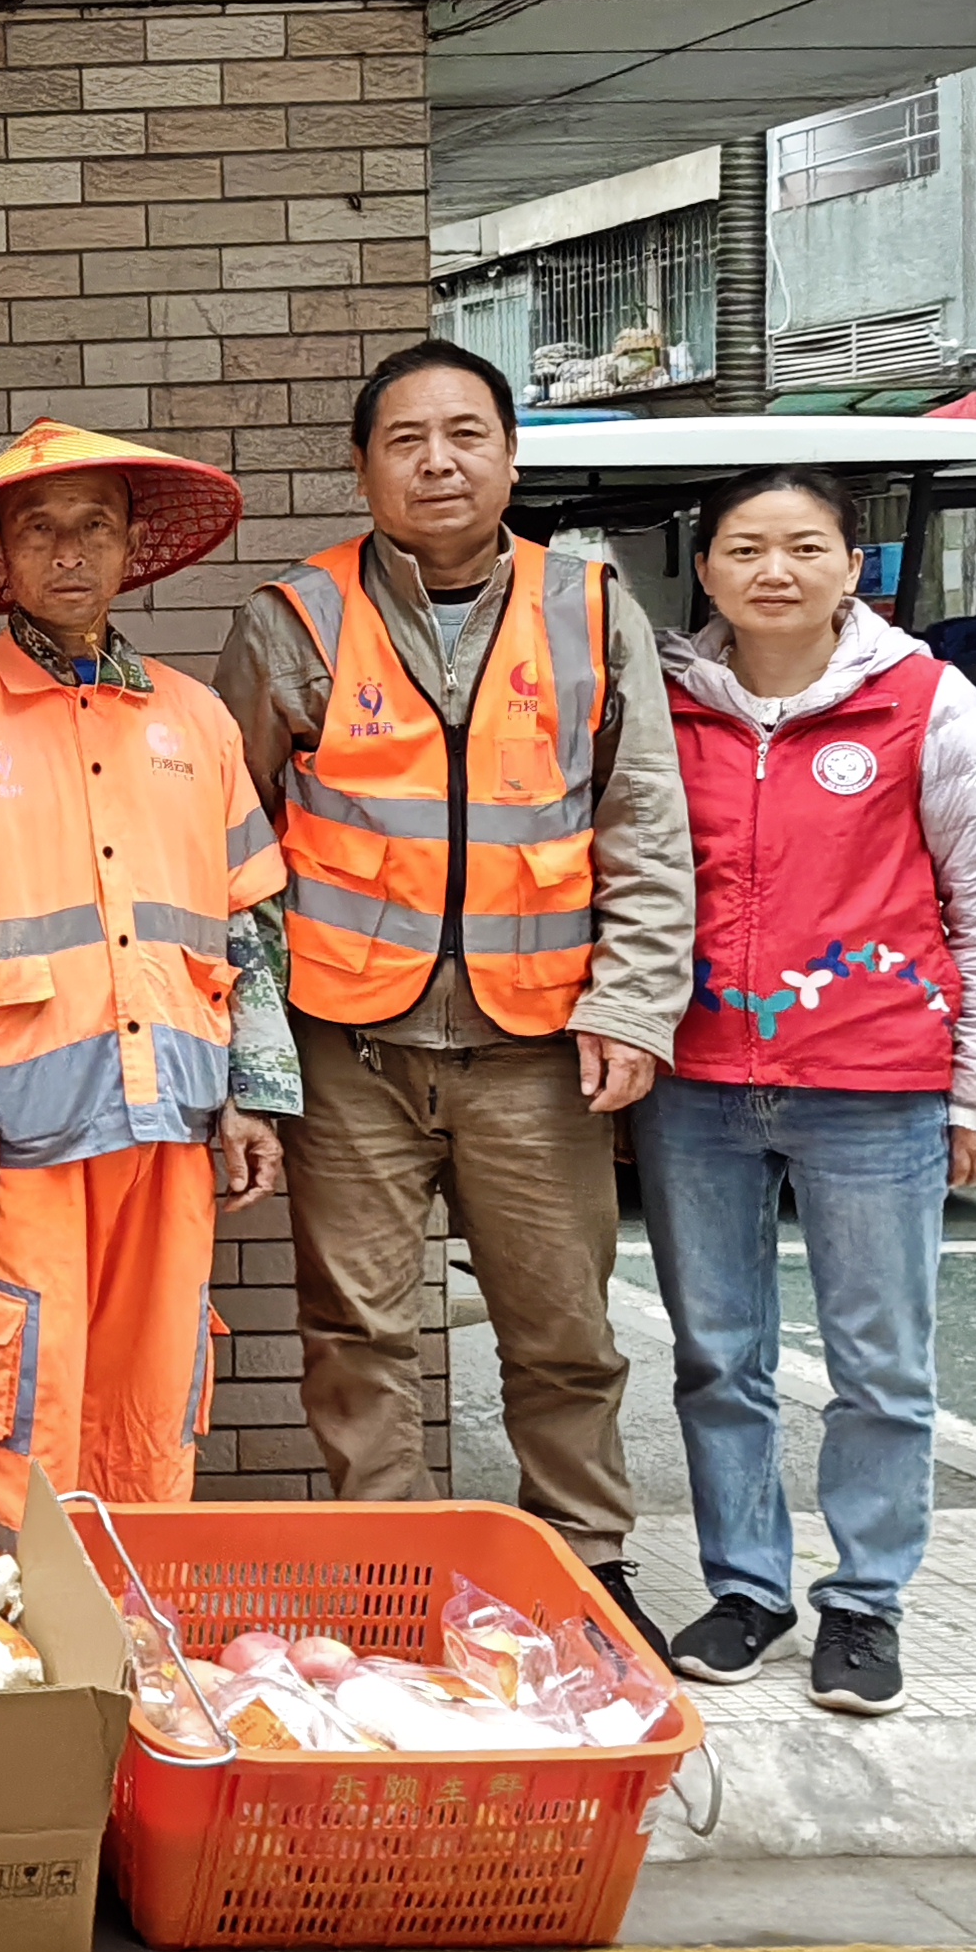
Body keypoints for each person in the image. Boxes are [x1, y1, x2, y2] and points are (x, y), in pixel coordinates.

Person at [216, 337, 691, 1637]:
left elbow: (645, 822)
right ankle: (391, 1584)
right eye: (406, 439)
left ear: (510, 456)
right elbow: (228, 852)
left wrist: (634, 1004)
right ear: (361, 466)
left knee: (563, 1330)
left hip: (539, 1048)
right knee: (356, 1332)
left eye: (466, 434)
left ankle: (588, 1573)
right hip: (347, 1052)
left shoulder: (589, 607)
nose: (438, 462)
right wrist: (252, 1055)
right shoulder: (291, 619)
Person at [640, 467, 976, 1716]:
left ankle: (864, 1605)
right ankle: (745, 1589)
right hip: (696, 1078)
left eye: (804, 546)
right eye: (745, 548)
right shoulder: (659, 706)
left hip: (876, 1082)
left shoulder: (925, 698)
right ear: (705, 569)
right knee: (716, 1358)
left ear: (849, 566)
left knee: (881, 1367)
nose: (775, 571)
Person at [0, 422, 299, 1549]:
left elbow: (249, 924)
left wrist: (255, 1095)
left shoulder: (196, 720)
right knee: (13, 1369)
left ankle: (131, 1603)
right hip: (14, 1130)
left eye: (94, 528)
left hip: (172, 1109)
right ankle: (3, 1612)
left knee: (152, 1374)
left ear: (129, 548)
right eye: (39, 530)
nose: (68, 553)